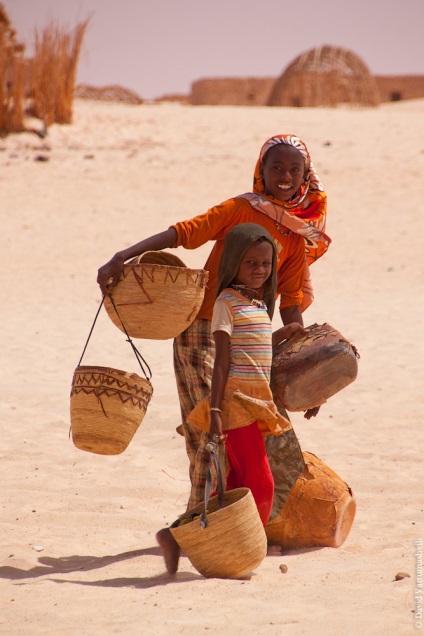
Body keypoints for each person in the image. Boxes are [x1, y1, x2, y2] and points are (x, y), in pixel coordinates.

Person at [97, 133, 330, 514]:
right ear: (261, 171)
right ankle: (202, 516)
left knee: (248, 432)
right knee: (207, 426)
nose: (285, 176)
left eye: (294, 169)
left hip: (252, 339)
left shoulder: (297, 235)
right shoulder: (240, 208)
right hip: (203, 329)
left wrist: (308, 374)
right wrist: (121, 256)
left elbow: (291, 304)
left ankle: (232, 519)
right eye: (276, 168)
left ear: (306, 176)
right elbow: (183, 233)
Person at [157, 223, 308, 574]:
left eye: (266, 263)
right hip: (234, 404)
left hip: (257, 403)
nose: (259, 270)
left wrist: (284, 332)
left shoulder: (257, 304)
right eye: (250, 262)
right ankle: (237, 541)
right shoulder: (226, 302)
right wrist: (213, 409)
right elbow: (222, 359)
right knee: (261, 481)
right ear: (233, 264)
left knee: (236, 482)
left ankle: (181, 536)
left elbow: (256, 352)